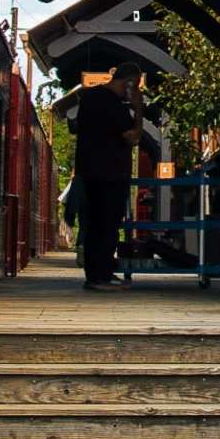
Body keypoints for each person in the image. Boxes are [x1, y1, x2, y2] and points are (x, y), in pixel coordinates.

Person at [68, 68, 154, 292]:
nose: (134, 92)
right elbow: (133, 138)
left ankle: (99, 273)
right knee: (107, 225)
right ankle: (99, 277)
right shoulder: (113, 105)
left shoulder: (90, 97)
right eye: (135, 87)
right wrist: (138, 109)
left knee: (95, 225)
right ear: (128, 83)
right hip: (110, 174)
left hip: (90, 172)